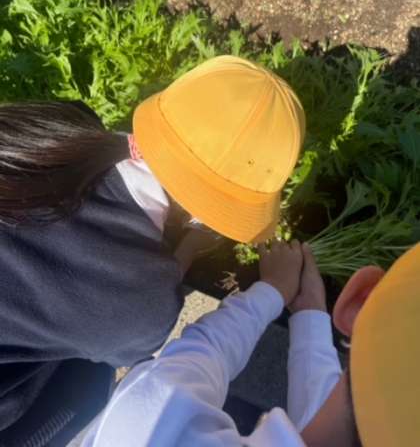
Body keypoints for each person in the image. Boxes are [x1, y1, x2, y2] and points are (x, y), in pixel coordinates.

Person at [0, 55, 305, 444]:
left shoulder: (57, 123)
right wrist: (192, 243)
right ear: (205, 213)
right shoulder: (138, 307)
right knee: (90, 384)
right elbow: (128, 345)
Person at [81, 241, 420, 447]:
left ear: (358, 302)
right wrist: (309, 314)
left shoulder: (153, 430)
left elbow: (198, 357)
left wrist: (273, 289)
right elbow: (337, 416)